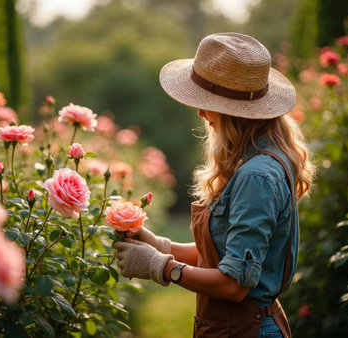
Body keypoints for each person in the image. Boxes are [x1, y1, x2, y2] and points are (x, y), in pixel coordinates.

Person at [114, 32, 314, 337]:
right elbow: (227, 253)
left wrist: (161, 267)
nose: (200, 112)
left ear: (232, 112)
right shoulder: (253, 163)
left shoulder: (256, 177)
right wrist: (157, 244)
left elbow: (234, 285)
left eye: (207, 102)